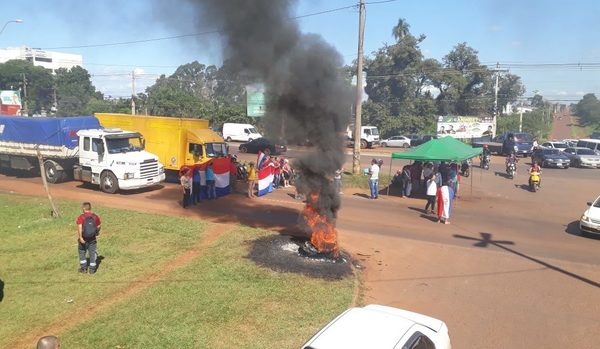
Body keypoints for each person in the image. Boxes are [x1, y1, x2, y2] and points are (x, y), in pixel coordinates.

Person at [76, 202, 101, 274]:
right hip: (92, 239)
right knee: (92, 253)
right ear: (90, 208)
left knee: (82, 252)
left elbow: (80, 227)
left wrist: (80, 237)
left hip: (83, 238)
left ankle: (83, 269)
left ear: (84, 208)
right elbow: (99, 226)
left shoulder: (81, 217)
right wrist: (97, 232)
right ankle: (92, 270)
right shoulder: (95, 217)